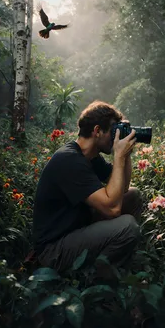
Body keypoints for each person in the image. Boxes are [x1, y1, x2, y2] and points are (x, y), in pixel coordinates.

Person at [32, 100, 143, 272]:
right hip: (54, 250)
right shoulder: (69, 160)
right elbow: (111, 208)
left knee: (133, 196)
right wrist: (119, 156)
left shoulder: (90, 156)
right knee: (127, 227)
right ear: (97, 131)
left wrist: (125, 154)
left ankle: (116, 257)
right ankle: (96, 276)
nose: (116, 136)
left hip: (77, 229)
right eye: (114, 131)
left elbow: (124, 188)